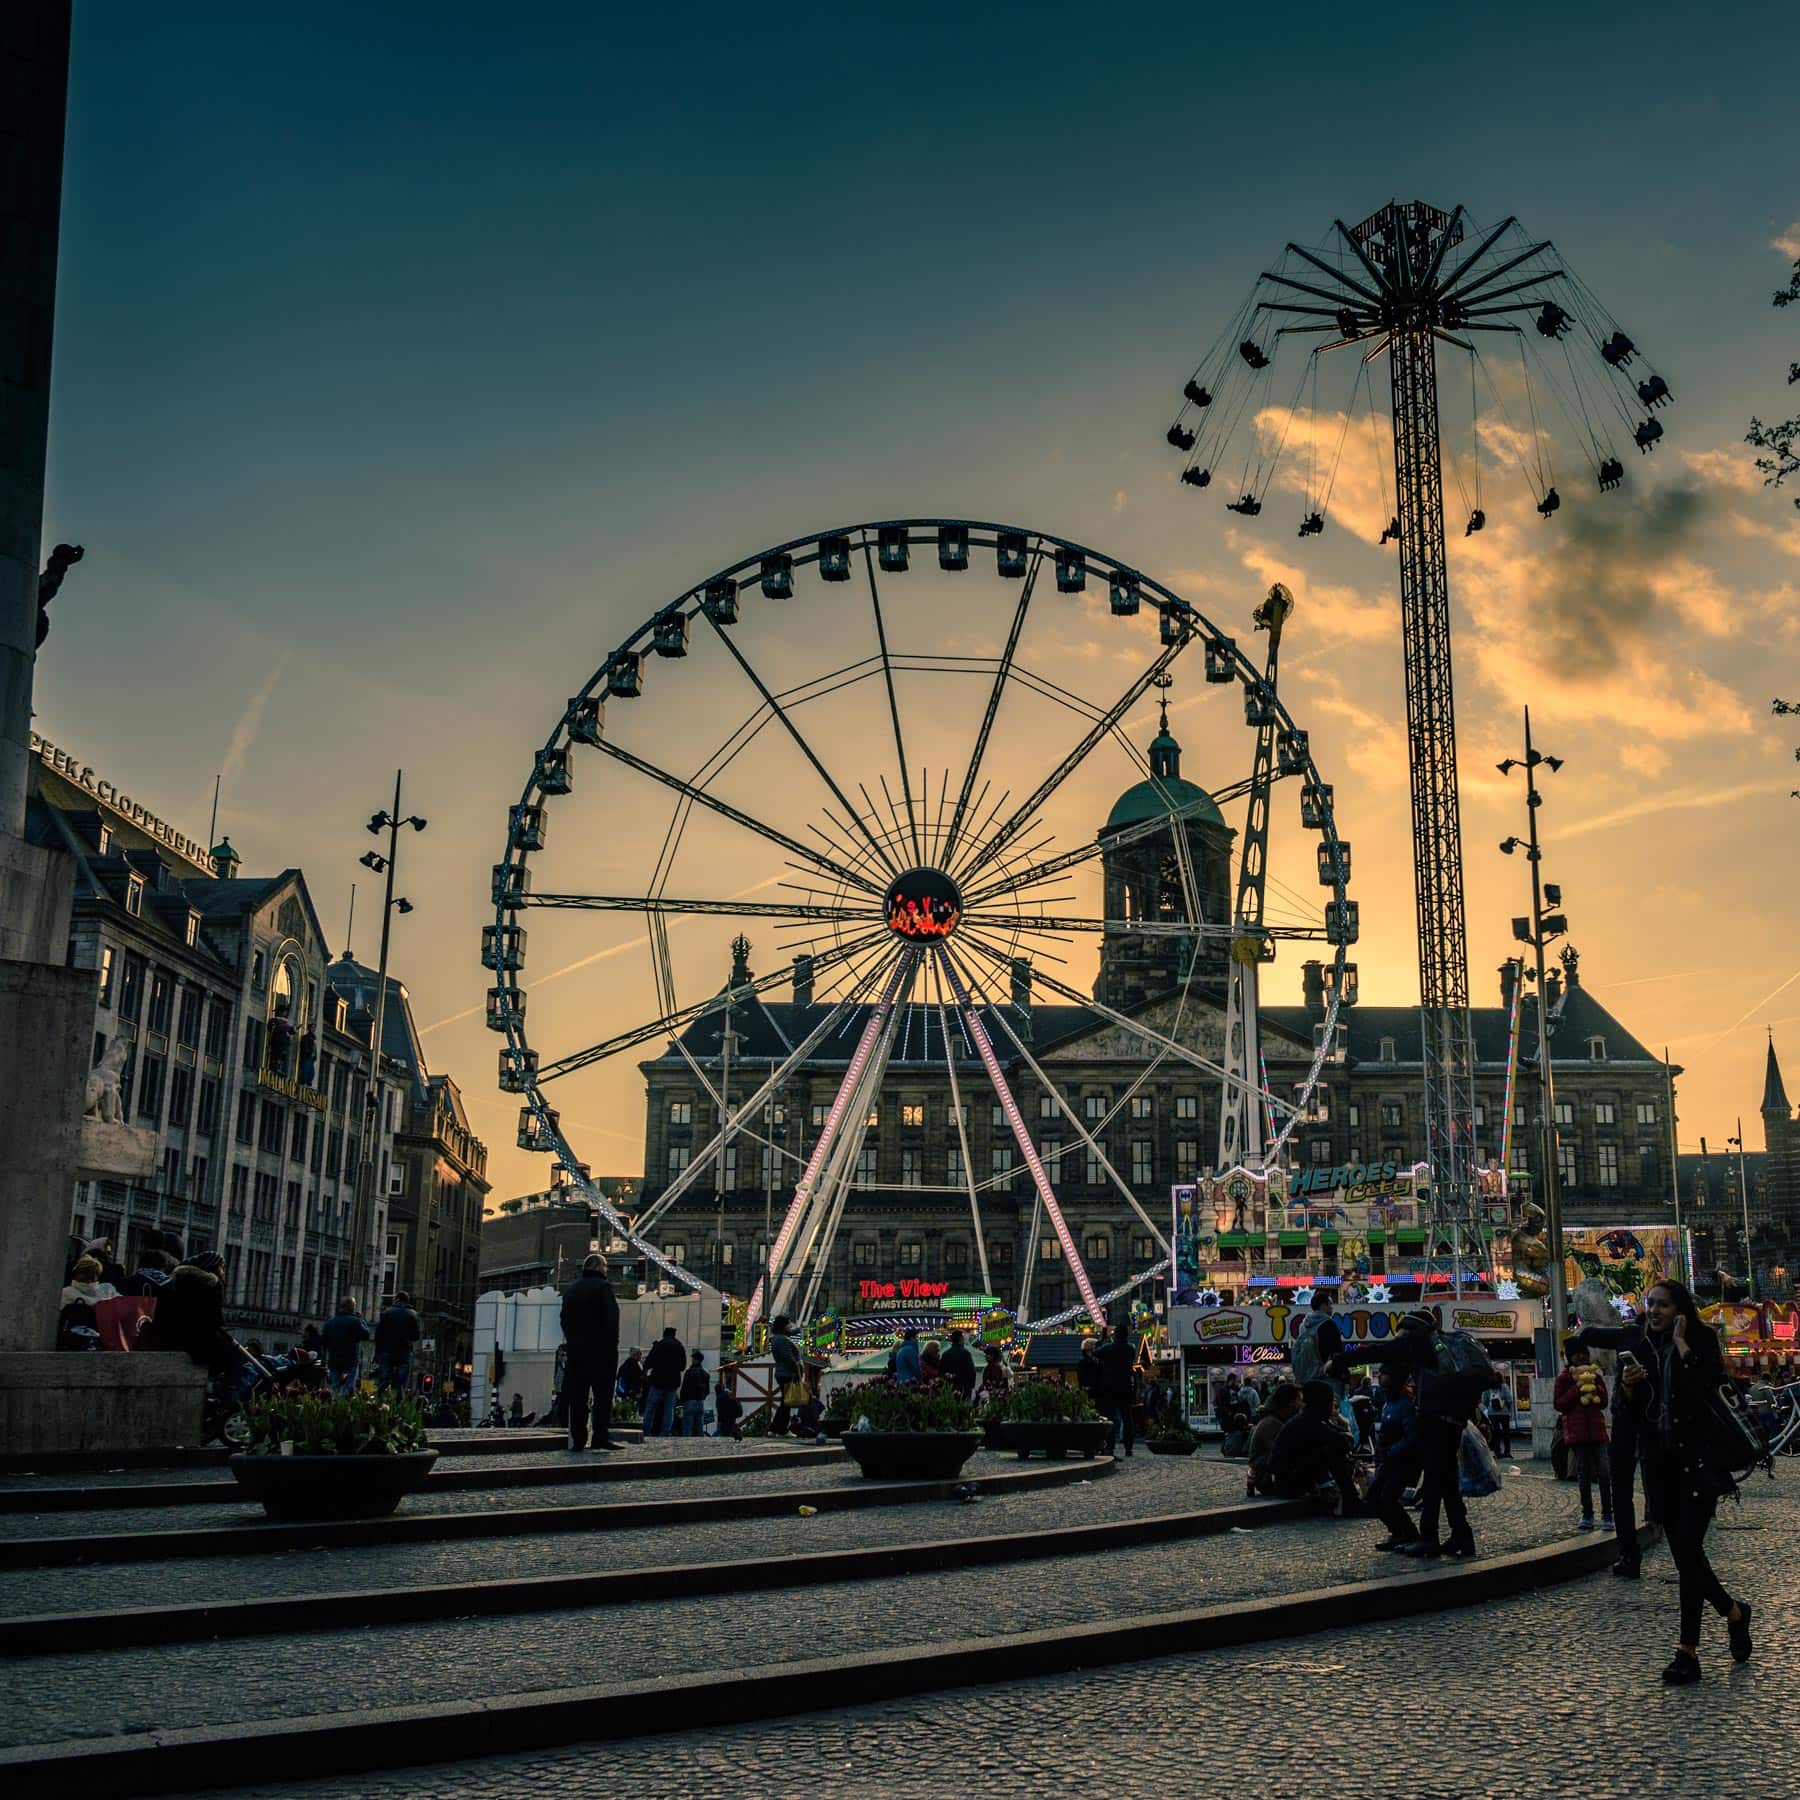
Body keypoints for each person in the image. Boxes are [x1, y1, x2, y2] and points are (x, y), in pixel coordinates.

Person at [1623, 1281, 1752, 1684]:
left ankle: (1687, 1652)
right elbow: (1634, 1414)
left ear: (1680, 1308)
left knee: (1687, 1550)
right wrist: (1628, 1387)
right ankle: (1733, 1611)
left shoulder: (1700, 1340)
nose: (1655, 1311)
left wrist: (1682, 1346)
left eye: (1663, 1304)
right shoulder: (1643, 1346)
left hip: (1697, 1462)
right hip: (1661, 1466)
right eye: (1650, 1304)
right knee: (1686, 1558)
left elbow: (1708, 1387)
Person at [1335, 1308, 1487, 1559]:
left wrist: (1338, 1361)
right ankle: (1462, 1535)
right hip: (1452, 1421)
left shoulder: (1416, 1343)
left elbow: (1377, 1351)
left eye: (1401, 1333)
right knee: (1446, 1482)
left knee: (1435, 1484)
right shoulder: (1442, 1346)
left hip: (1434, 1422)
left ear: (1410, 1329)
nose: (1398, 1338)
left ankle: (1429, 1538)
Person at [1267, 1379, 1364, 1515]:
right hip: (1289, 1482)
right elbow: (1341, 1441)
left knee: (1330, 1449)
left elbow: (1339, 1436)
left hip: (1287, 1478)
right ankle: (1351, 1500)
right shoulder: (1309, 1422)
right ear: (1323, 1403)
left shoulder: (1310, 1418)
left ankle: (1349, 1498)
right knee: (1332, 1451)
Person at [559, 1253, 622, 1451]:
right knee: (602, 1397)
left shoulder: (572, 1290)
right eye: (605, 1266)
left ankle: (578, 1439)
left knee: (578, 1397)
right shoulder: (603, 1288)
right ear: (597, 1267)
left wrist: (573, 1341)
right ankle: (600, 1436)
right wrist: (611, 1347)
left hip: (577, 1353)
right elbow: (611, 1320)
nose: (607, 1269)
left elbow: (564, 1320)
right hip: (601, 1352)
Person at [1554, 1341, 1614, 1532]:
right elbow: (1559, 1404)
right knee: (1583, 1476)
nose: (1581, 1357)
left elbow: (1604, 1402)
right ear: (1570, 1357)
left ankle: (1608, 1514)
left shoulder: (1595, 1375)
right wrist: (1576, 1388)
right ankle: (1587, 1514)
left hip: (1597, 1432)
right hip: (1577, 1434)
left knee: (1604, 1474)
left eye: (1583, 1353)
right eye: (1576, 1354)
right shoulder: (1564, 1378)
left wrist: (1597, 1387)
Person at [1368, 1366, 1424, 1551]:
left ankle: (1409, 1533)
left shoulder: (1405, 1405)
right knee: (1374, 1497)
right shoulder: (1388, 1403)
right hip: (1388, 1460)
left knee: (1388, 1498)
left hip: (1402, 1461)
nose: (1380, 1377)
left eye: (1383, 1375)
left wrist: (1393, 1450)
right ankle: (1397, 1532)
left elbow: (1412, 1436)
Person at [1246, 1383, 1302, 1496]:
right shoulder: (1272, 1424)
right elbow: (1279, 1454)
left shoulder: (1276, 1420)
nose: (1301, 1404)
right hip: (1269, 1479)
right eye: (1299, 1400)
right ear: (1291, 1403)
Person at [57, 1254, 116, 1350]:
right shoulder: (106, 1294)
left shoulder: (65, 1293)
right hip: (99, 1343)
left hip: (70, 1342)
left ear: (76, 1273)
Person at [1097, 1323, 1138, 1456]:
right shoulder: (1130, 1348)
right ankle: (1129, 1447)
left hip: (1111, 1387)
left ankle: (1110, 1447)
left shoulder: (1109, 1348)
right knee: (1128, 1418)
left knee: (1110, 1418)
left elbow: (1096, 1352)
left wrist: (1102, 1339)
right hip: (1126, 1386)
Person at [317, 1295, 370, 1394]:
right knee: (348, 1387)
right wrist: (361, 1319)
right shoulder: (354, 1321)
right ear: (352, 1307)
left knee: (334, 1387)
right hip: (351, 1360)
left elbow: (323, 1342)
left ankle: (334, 1406)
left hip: (334, 1360)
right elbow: (366, 1335)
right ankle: (343, 1406)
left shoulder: (329, 1322)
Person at [373, 1290, 421, 1393]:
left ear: (397, 1299)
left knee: (383, 1379)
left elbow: (378, 1334)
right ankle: (397, 1400)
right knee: (401, 1380)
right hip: (404, 1351)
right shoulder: (413, 1314)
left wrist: (378, 1353)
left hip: (388, 1350)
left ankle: (380, 1400)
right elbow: (416, 1336)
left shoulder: (387, 1312)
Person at [642, 1325, 686, 1437]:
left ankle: (646, 1430)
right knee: (669, 1409)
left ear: (664, 1334)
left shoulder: (659, 1345)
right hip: (672, 1382)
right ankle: (665, 1432)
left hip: (657, 1380)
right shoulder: (679, 1346)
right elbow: (682, 1366)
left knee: (651, 1406)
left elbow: (648, 1363)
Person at [770, 1315, 806, 1434]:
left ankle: (776, 1427)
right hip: (787, 1373)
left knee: (785, 1402)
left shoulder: (777, 1338)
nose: (790, 1326)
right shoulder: (783, 1340)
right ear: (783, 1326)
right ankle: (781, 1428)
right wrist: (797, 1368)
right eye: (788, 1324)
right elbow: (788, 1358)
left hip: (781, 1372)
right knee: (787, 1403)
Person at [940, 1328, 977, 1401]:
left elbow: (941, 1371)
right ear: (961, 1339)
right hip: (964, 1386)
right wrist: (971, 1385)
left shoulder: (945, 1354)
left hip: (950, 1385)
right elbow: (971, 1371)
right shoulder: (966, 1353)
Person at [679, 1350, 710, 1437]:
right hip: (700, 1402)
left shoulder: (689, 1372)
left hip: (689, 1401)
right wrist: (702, 1397)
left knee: (687, 1427)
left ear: (696, 1360)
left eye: (693, 1358)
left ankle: (687, 1446)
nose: (692, 1360)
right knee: (699, 1428)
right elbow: (707, 1390)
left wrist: (681, 1401)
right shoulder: (705, 1373)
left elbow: (684, 1388)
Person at [1484, 1382, 1514, 1459]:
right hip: (1504, 1413)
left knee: (1495, 1433)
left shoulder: (1487, 1388)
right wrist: (1509, 1409)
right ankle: (1507, 1452)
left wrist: (1488, 1408)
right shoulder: (1504, 1387)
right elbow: (1510, 1399)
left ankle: (1497, 1453)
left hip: (1492, 1414)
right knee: (1506, 1433)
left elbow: (1484, 1401)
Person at [714, 1367, 742, 1440]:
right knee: (729, 1429)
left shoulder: (719, 1398)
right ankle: (735, 1435)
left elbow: (720, 1411)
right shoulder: (728, 1395)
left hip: (725, 1419)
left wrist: (720, 1421)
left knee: (725, 1432)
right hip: (732, 1416)